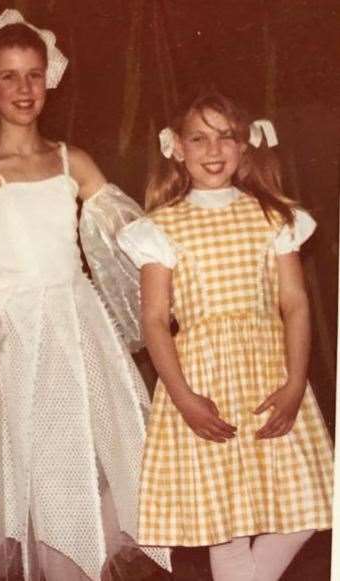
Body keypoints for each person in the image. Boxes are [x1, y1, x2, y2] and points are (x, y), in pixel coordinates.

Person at [0, 9, 170, 581]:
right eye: (8, 75)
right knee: (38, 481)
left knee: (99, 472)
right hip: (14, 348)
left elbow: (129, 235)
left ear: (49, 77)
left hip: (78, 336)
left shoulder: (71, 161)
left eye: (33, 74)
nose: (23, 88)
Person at [117, 89, 334, 581]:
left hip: (268, 377)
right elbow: (154, 319)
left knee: (307, 503)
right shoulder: (162, 226)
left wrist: (296, 382)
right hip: (203, 381)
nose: (213, 150)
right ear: (177, 146)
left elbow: (295, 304)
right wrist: (183, 397)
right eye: (199, 138)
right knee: (226, 523)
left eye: (226, 138)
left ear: (245, 146)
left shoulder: (273, 215)